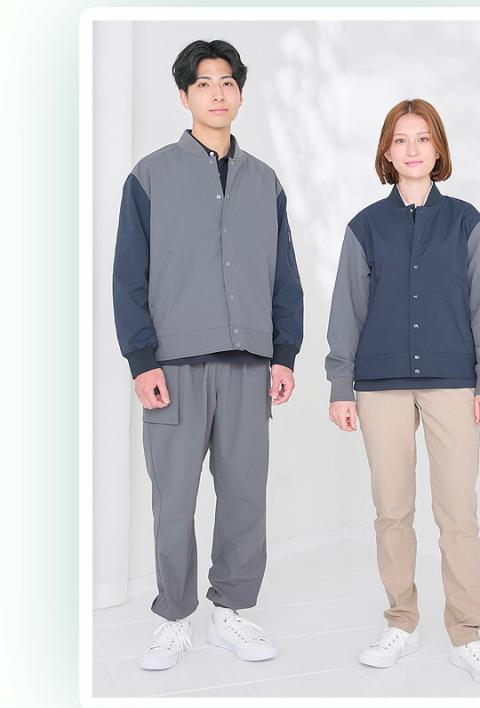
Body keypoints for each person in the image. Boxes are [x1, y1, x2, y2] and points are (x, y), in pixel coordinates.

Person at [112, 40, 303, 670]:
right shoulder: (150, 176)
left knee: (245, 495)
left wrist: (285, 353)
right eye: (203, 83)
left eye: (227, 82)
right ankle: (173, 619)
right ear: (184, 95)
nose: (217, 93)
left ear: (241, 93)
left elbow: (284, 275)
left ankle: (230, 614)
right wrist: (142, 359)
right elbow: (128, 276)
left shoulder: (265, 181)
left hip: (250, 361)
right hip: (174, 365)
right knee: (174, 499)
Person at [325, 99, 480, 686]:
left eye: (423, 138)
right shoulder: (364, 227)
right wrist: (340, 385)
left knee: (458, 513)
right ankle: (401, 623)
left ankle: (467, 634)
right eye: (401, 139)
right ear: (387, 151)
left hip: (454, 382)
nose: (412, 149)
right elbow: (346, 310)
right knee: (392, 510)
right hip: (378, 385)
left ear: (438, 149)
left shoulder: (466, 222)